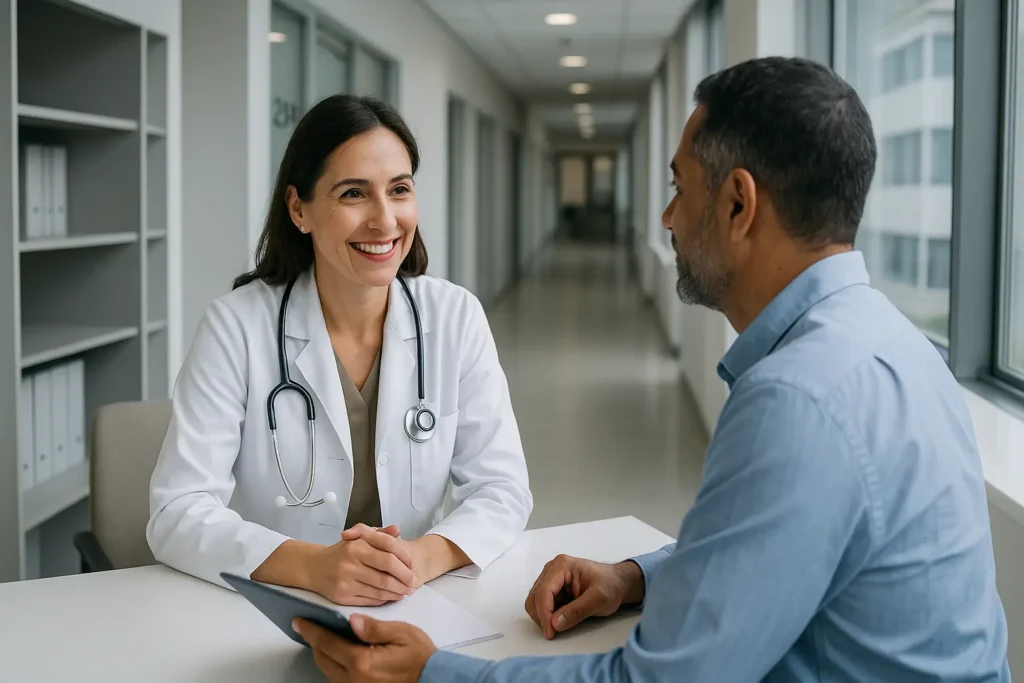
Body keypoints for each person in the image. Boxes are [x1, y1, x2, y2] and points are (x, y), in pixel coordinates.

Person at [291, 57, 1011, 681]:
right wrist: (636, 577)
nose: (667, 218)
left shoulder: (799, 399)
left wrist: (431, 672)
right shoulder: (891, 341)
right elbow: (775, 552)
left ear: (737, 203)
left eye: (679, 188)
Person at [146, 94, 533, 606]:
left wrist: (419, 558)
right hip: (277, 602)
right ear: (298, 208)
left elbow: (502, 489)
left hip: (413, 601)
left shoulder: (454, 317)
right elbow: (177, 511)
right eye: (353, 194)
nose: (384, 220)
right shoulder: (235, 326)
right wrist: (314, 567)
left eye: (399, 190)